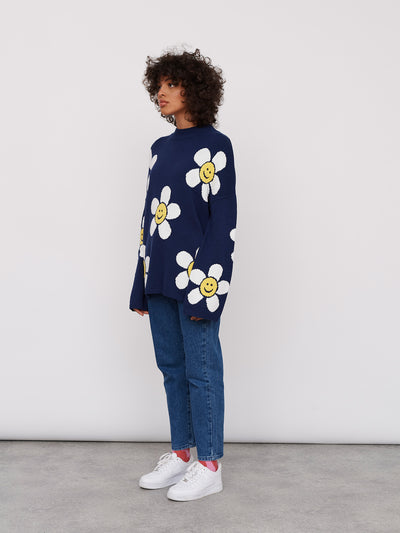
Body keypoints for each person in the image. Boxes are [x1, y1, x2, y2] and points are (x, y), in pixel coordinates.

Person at [129, 47, 237, 501]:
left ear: (195, 89)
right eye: (158, 86)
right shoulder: (160, 149)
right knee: (172, 369)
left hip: (197, 281)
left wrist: (209, 290)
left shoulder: (216, 146)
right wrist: (139, 284)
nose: (161, 93)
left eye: (171, 84)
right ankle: (180, 453)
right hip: (158, 276)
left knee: (202, 371)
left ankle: (208, 464)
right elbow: (151, 218)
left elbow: (222, 223)